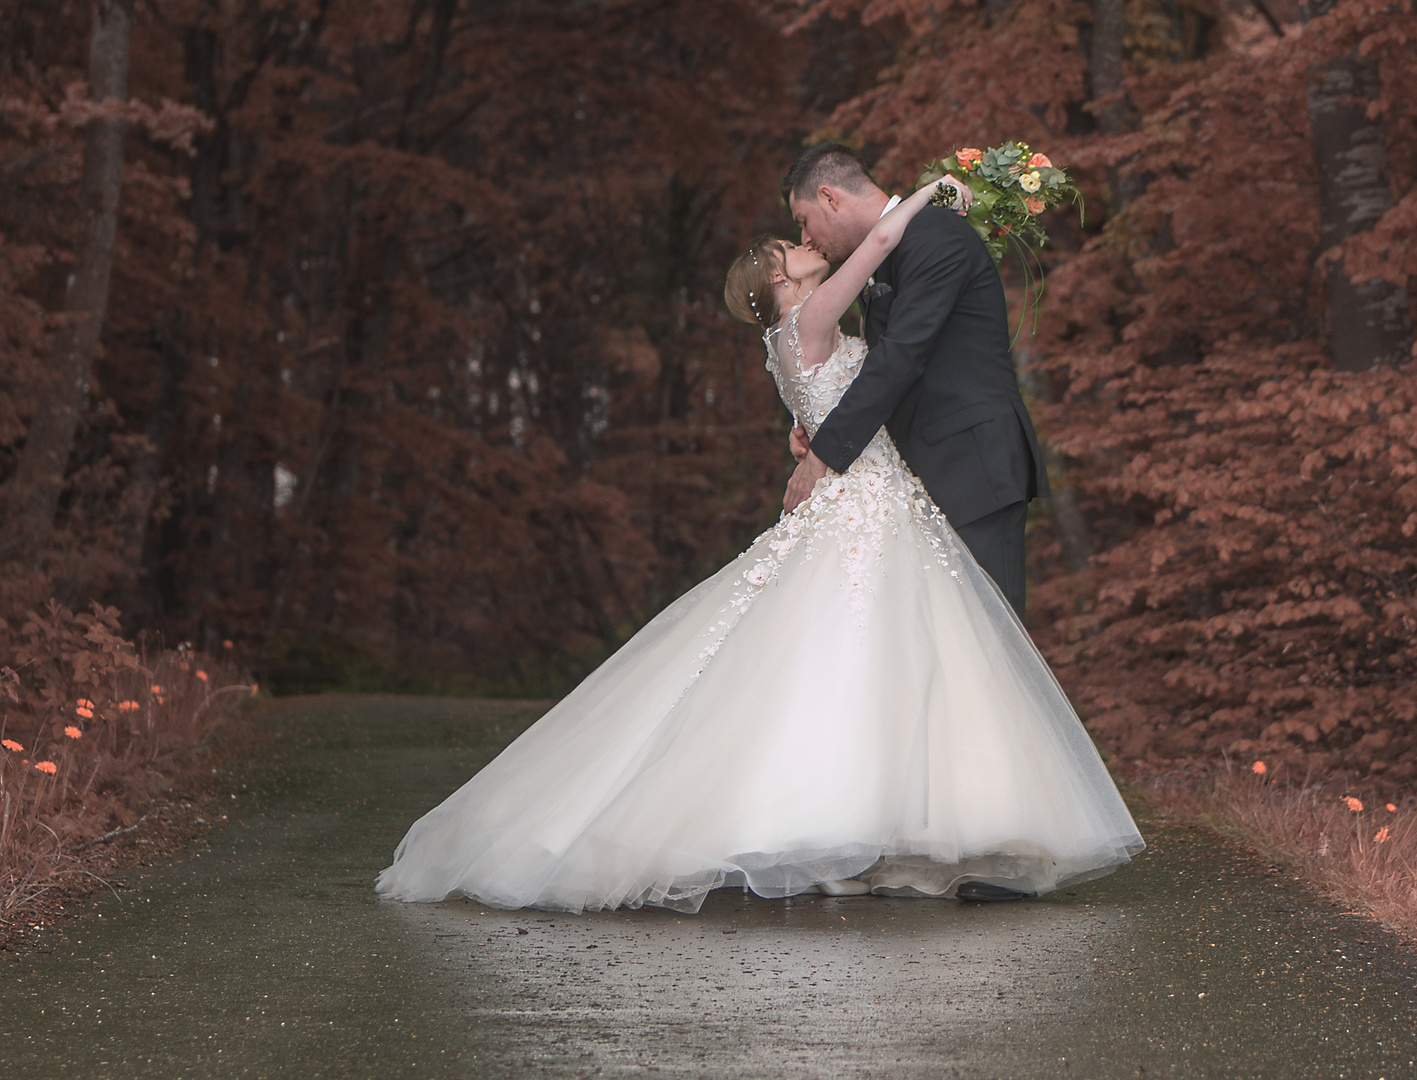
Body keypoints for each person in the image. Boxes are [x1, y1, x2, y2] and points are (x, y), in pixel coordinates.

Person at [374, 171, 1142, 915]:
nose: (804, 244)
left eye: (801, 231)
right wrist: (932, 191)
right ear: (777, 285)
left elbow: (883, 363)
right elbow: (876, 252)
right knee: (879, 657)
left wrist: (812, 436)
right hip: (866, 503)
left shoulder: (807, 332)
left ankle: (896, 826)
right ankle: (865, 824)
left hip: (884, 495)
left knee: (880, 660)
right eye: (791, 249)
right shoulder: (809, 321)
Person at [781, 143, 1048, 621]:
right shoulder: (891, 251)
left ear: (829, 197)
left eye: (803, 220)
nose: (805, 237)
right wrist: (814, 419)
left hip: (973, 468)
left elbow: (901, 358)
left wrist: (825, 453)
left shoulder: (935, 236)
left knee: (994, 645)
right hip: (933, 475)